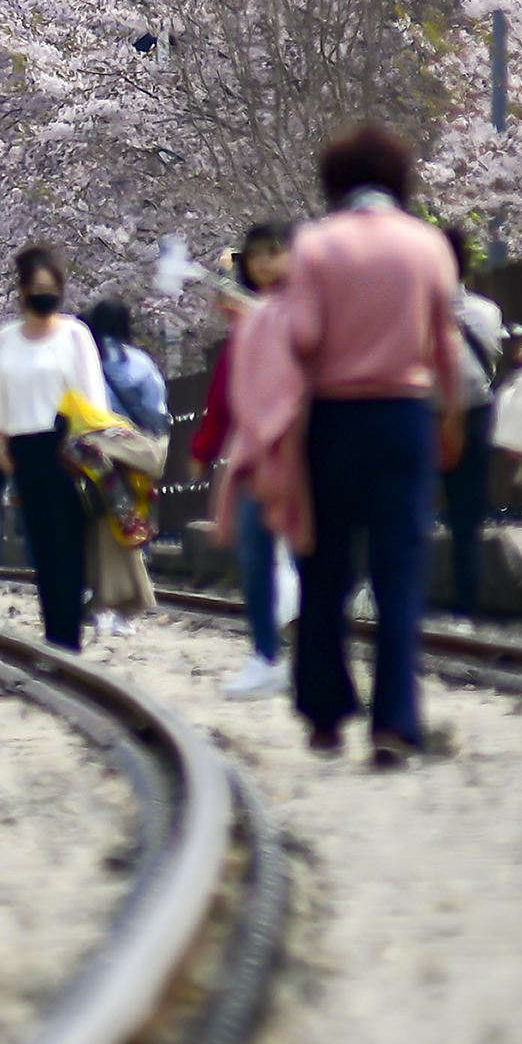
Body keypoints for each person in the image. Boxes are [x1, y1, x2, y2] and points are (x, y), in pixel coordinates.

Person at [232, 127, 462, 764]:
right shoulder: (427, 245)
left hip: (332, 419)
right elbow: (444, 341)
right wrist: (449, 418)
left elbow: (301, 334)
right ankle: (394, 721)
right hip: (405, 416)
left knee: (324, 565)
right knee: (399, 569)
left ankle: (326, 711)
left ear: (335, 181)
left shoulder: (317, 245)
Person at [0, 247, 112, 651]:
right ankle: (53, 630)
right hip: (25, 448)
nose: (44, 294)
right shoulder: (5, 339)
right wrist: (1, 445)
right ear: (21, 290)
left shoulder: (74, 334)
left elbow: (92, 397)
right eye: (36, 287)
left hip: (68, 445)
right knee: (40, 541)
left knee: (69, 541)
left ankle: (68, 633)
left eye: (51, 287)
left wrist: (93, 445)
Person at [199, 224, 291, 697]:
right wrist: (205, 448)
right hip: (258, 456)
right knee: (254, 552)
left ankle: (303, 653)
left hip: (307, 452)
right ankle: (265, 653)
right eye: (258, 256)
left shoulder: (313, 311)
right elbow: (224, 392)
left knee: (308, 557)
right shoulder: (245, 327)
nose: (268, 263)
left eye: (278, 252)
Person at [81, 300, 165, 636]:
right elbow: (155, 410)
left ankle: (97, 600)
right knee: (124, 521)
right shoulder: (139, 362)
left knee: (93, 525)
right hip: (128, 452)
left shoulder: (84, 361)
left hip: (88, 452)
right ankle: (117, 608)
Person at [442, 226, 507, 618]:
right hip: (475, 414)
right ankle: (468, 606)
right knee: (467, 517)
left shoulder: (409, 313)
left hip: (424, 416)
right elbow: (492, 362)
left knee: (408, 514)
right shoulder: (487, 311)